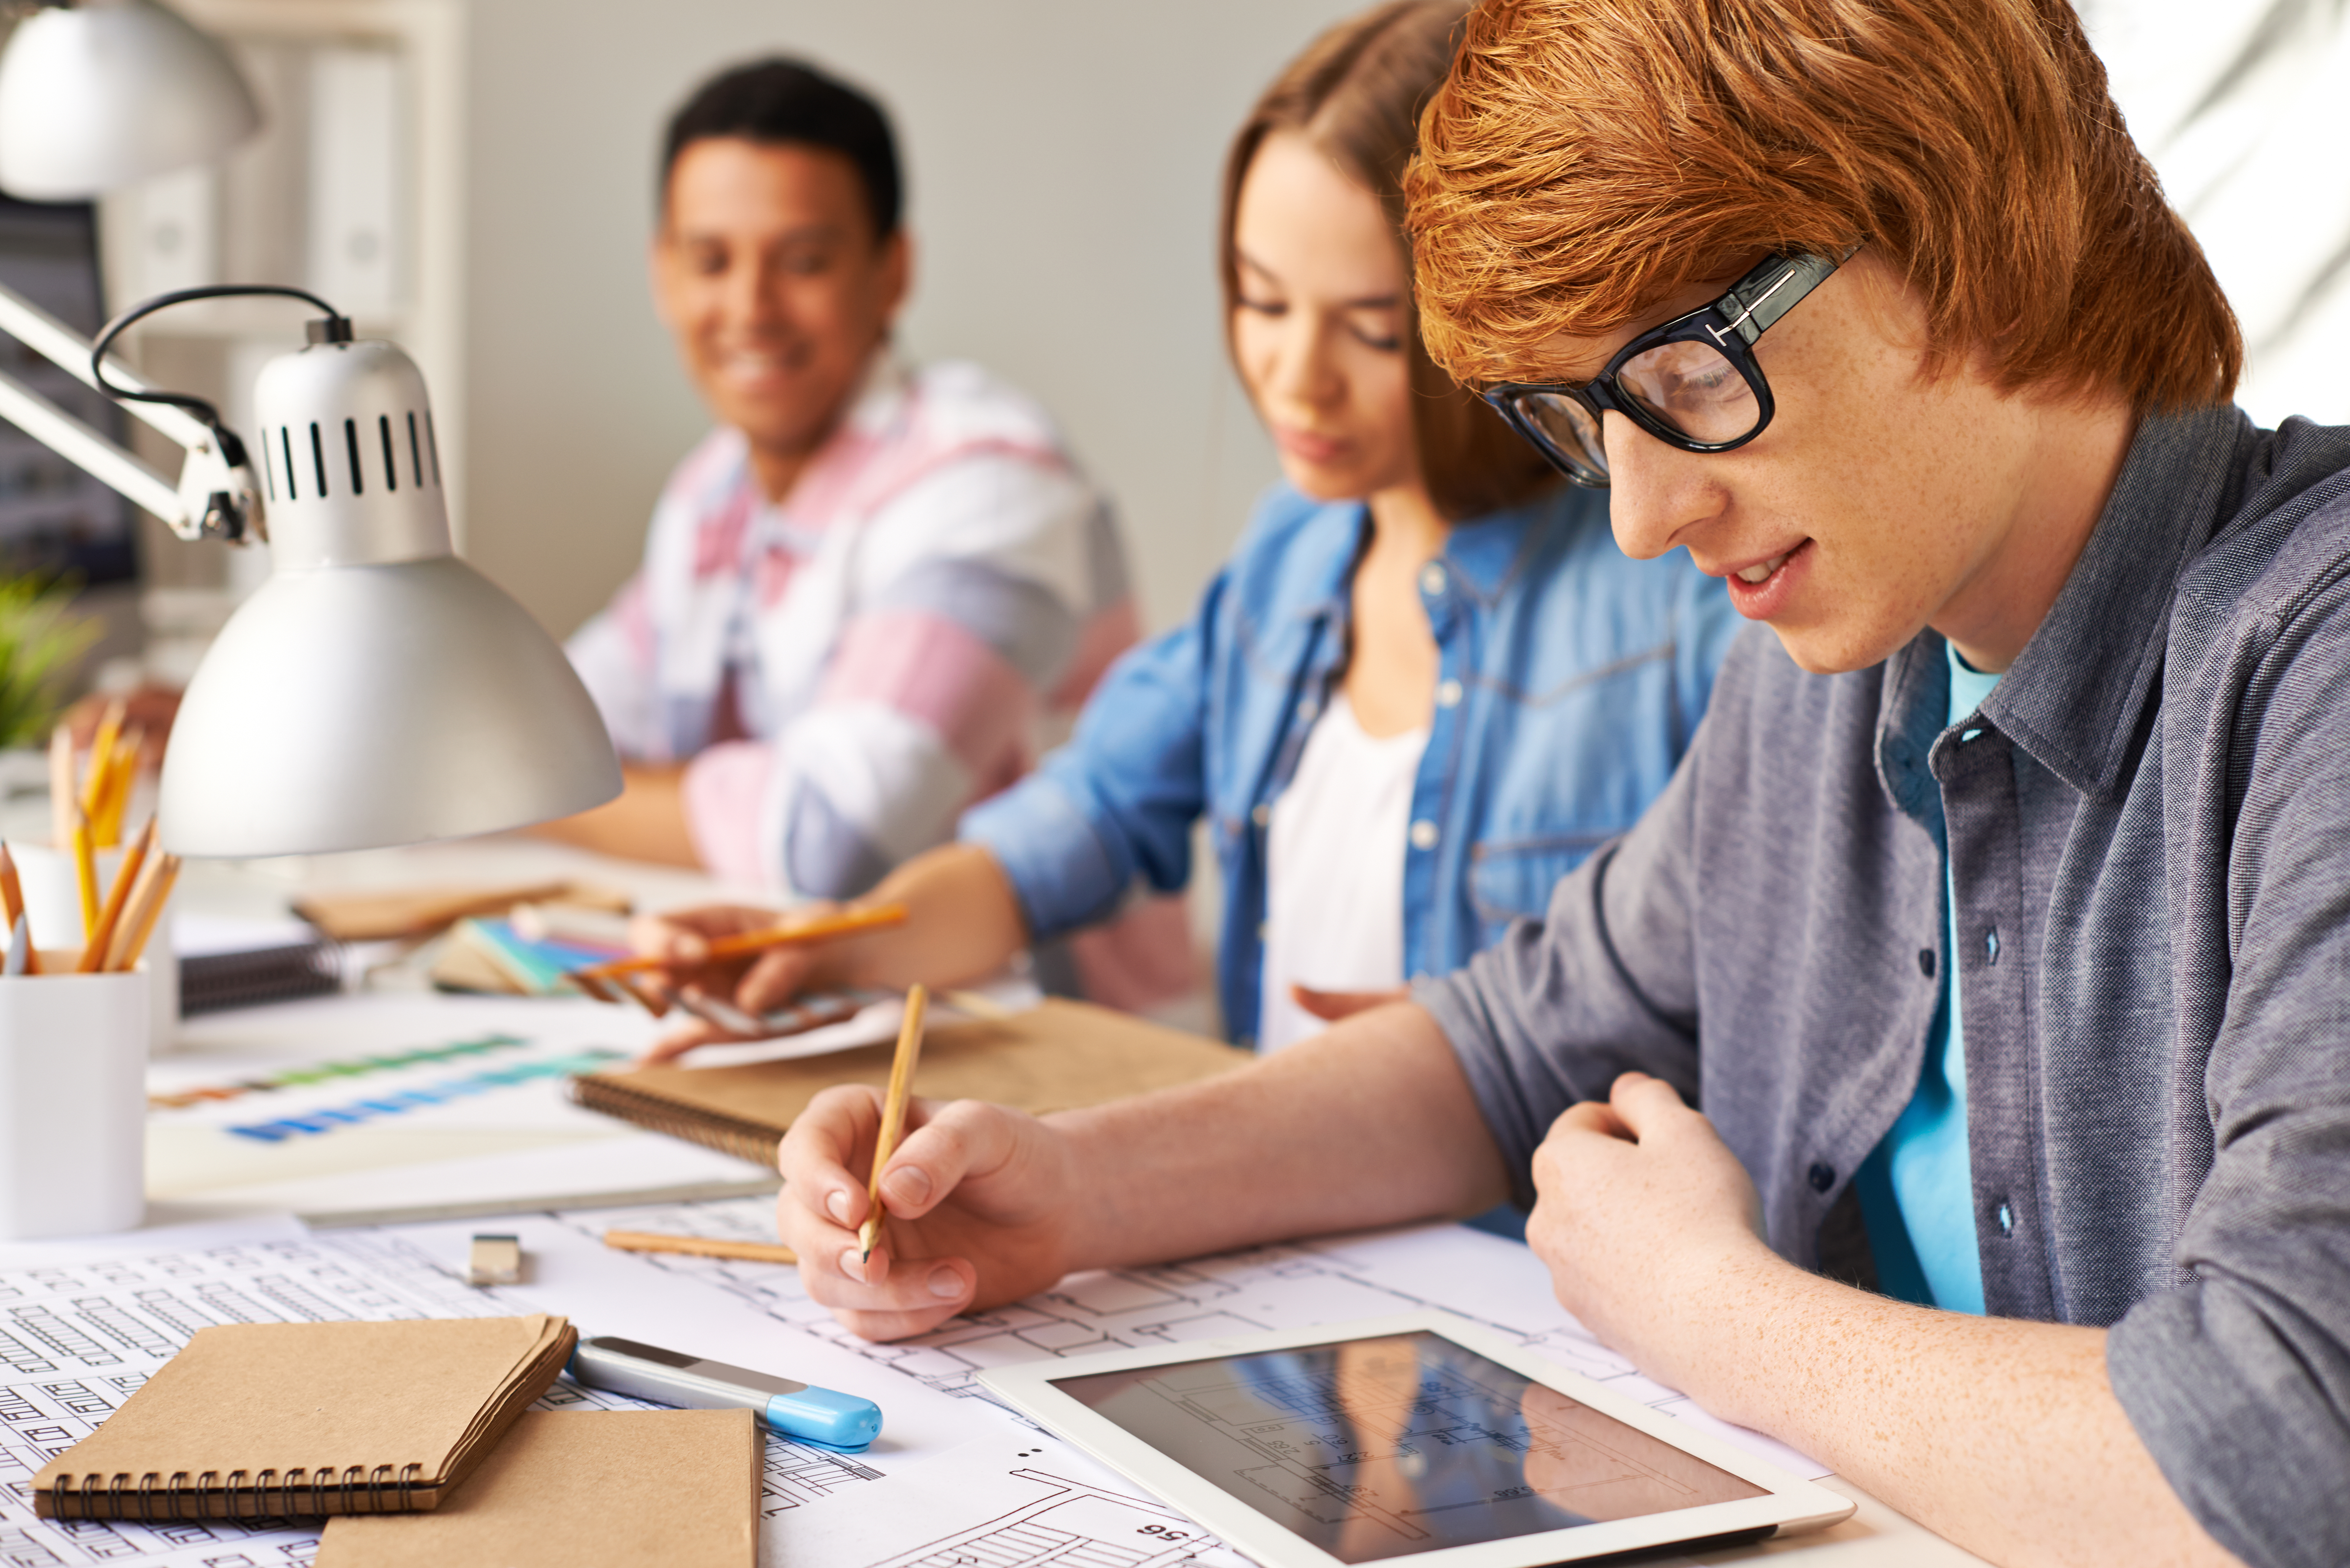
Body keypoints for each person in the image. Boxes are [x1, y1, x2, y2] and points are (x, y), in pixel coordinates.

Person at [723, 0, 2350, 1564]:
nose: (1641, 520)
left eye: (1694, 381)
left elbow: (2279, 1460)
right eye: (1585, 423)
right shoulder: (1848, 638)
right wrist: (1071, 1190)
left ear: (1971, 233)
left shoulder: (2309, 664)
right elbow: (1505, 1046)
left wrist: (1704, 1304)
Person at [639, 1, 1738, 1064]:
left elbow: (1745, 978)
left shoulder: (1668, 590)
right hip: (1280, 1220)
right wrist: (814, 952)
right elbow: (1079, 825)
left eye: (1368, 328)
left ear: (1491, 307)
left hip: (1510, 1240)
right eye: (1262, 304)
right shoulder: (1291, 553)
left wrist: (1499, 1041)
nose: (1293, 381)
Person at [549, 59, 1144, 938]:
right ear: (663, 274)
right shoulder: (711, 494)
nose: (751, 308)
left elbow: (828, 840)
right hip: (815, 1009)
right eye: (711, 260)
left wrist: (546, 797)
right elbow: (550, 718)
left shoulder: (990, 480)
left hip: (1042, 1040)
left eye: (804, 261)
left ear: (892, 271)